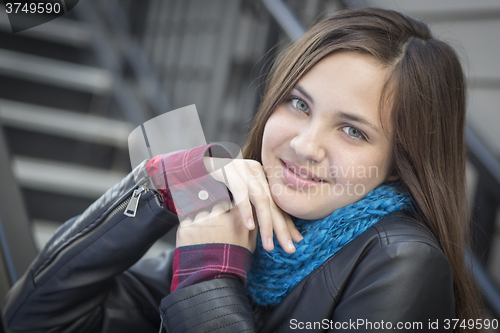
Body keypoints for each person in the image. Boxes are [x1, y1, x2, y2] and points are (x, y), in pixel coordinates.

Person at [3, 8, 483, 333]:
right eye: (298, 103)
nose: (303, 144)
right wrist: (165, 184)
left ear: (401, 160)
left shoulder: (401, 263)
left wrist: (209, 281)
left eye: (352, 131)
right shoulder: (246, 223)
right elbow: (35, 317)